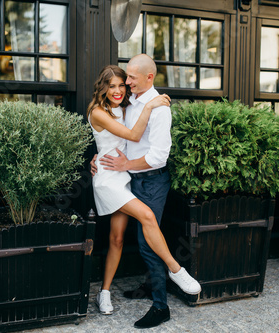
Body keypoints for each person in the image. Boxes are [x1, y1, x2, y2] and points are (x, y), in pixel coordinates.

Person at [88, 62, 201, 329]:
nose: (120, 88)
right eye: (113, 85)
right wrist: (97, 158)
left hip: (126, 177)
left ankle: (104, 292)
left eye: (123, 83)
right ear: (102, 87)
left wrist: (101, 155)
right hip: (109, 180)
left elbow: (126, 144)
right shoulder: (98, 111)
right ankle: (176, 270)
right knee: (147, 217)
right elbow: (132, 134)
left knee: (117, 238)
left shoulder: (126, 107)